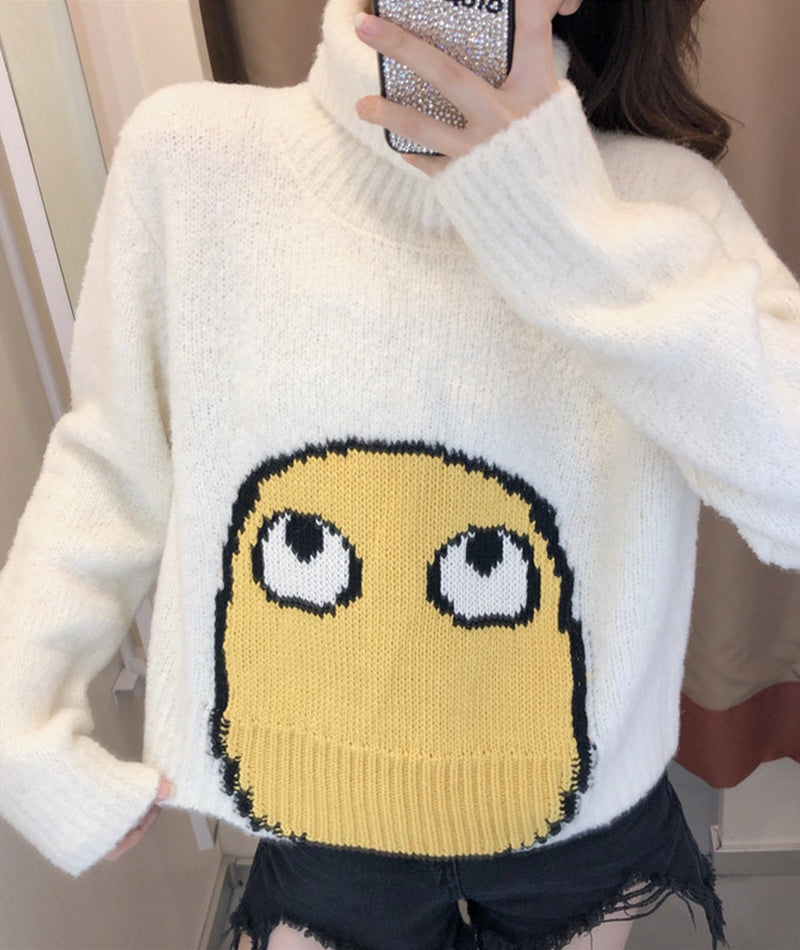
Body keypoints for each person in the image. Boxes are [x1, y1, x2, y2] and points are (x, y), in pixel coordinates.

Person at [0, 0, 798, 947]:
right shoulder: (191, 157)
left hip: (578, 819)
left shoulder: (659, 201)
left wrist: (564, 223)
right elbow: (109, 466)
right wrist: (17, 722)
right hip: (316, 814)